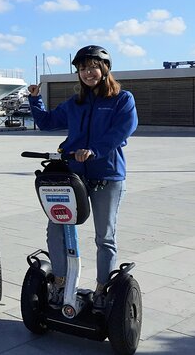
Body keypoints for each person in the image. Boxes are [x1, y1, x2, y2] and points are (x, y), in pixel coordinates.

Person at [27, 45, 138, 311]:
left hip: (107, 176)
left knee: (105, 237)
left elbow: (123, 130)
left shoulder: (122, 99)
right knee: (56, 227)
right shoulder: (74, 104)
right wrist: (35, 100)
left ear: (105, 69)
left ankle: (102, 289)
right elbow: (46, 122)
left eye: (93, 67)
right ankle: (61, 282)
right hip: (74, 177)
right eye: (83, 68)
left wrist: (94, 150)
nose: (88, 73)